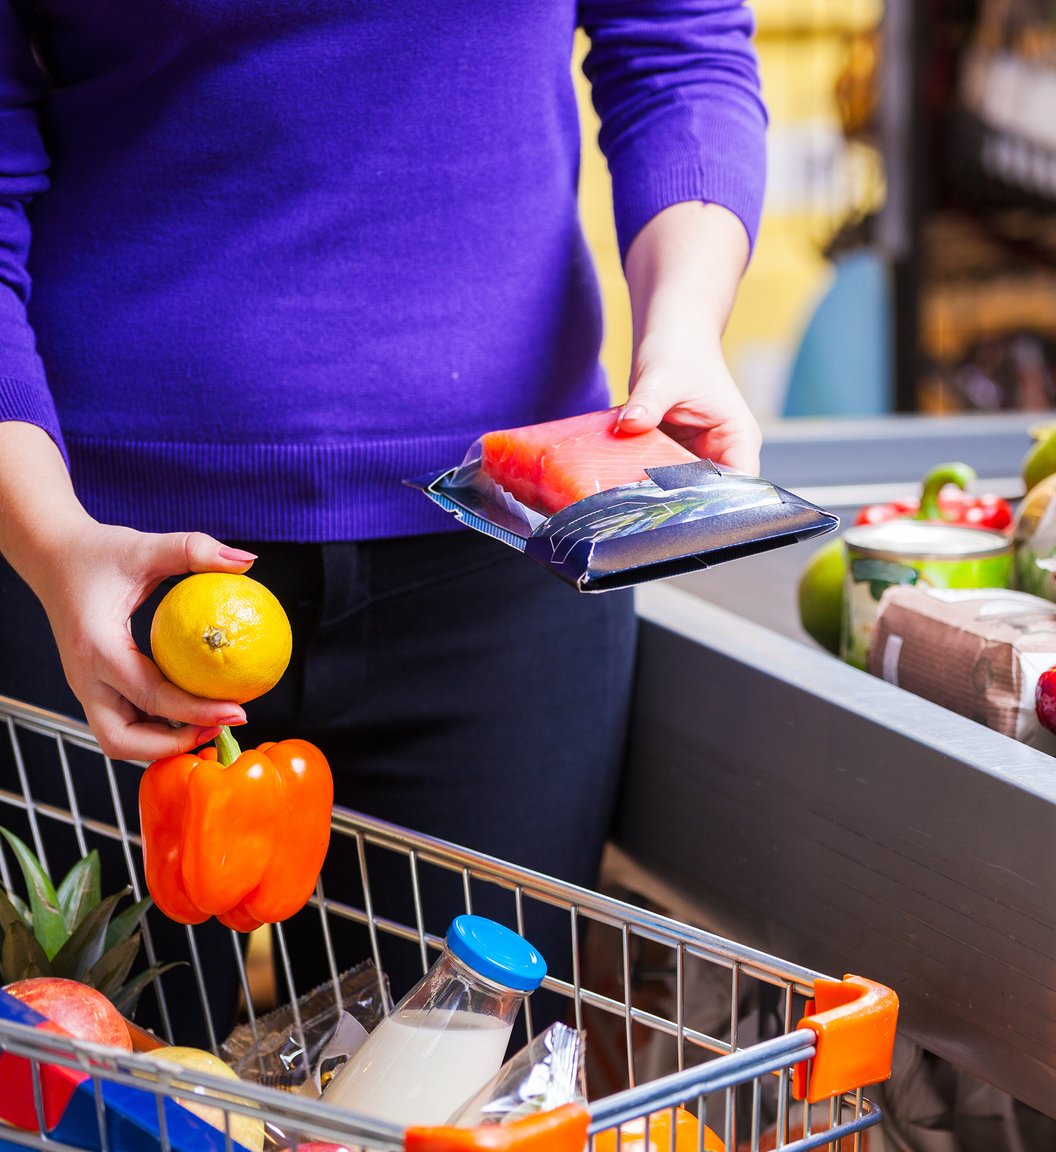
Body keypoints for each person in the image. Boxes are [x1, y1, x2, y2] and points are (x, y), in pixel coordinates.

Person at [0, 5, 766, 1030]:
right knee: (91, 1108)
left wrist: (683, 330)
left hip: (502, 558)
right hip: (95, 566)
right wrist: (49, 540)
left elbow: (679, 45)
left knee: (460, 1094)